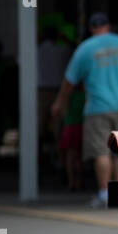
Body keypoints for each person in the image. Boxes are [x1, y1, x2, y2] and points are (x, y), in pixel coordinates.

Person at [49, 13, 118, 208]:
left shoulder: (84, 49)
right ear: (108, 26)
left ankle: (104, 194)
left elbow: (69, 81)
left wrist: (59, 102)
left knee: (102, 151)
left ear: (91, 28)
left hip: (98, 108)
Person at [37, 26, 71, 163]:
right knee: (60, 130)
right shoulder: (63, 50)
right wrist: (67, 40)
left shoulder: (36, 50)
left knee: (37, 128)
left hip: (41, 92)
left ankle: (35, 160)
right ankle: (61, 162)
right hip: (59, 92)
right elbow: (74, 50)